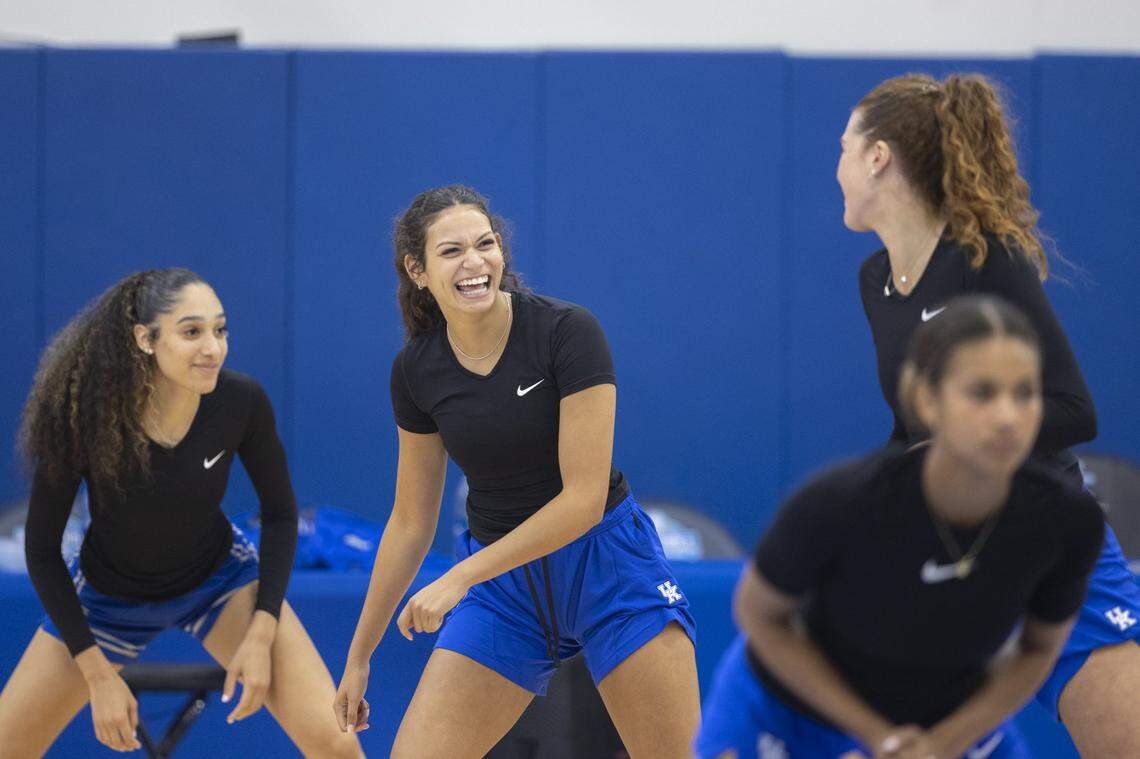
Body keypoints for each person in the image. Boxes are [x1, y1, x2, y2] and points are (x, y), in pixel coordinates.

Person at [333, 185, 699, 758]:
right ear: (418, 270)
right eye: (452, 251)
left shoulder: (567, 331)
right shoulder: (416, 370)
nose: (475, 262)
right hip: (506, 591)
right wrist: (359, 656)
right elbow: (409, 522)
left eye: (485, 244)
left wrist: (459, 577)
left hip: (606, 565)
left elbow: (581, 501)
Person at [837, 72, 1140, 756]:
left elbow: (1072, 410)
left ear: (878, 156)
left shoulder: (985, 260)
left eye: (844, 148)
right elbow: (913, 430)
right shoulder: (875, 282)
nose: (839, 169)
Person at [695, 295, 1105, 759]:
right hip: (786, 714)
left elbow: (1036, 650)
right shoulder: (841, 502)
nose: (1008, 416)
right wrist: (877, 737)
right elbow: (759, 615)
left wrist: (940, 744)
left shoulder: (1069, 521)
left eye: (1024, 393)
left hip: (947, 727)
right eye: (982, 393)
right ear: (927, 399)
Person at [0, 269, 362, 758]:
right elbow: (42, 551)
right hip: (106, 599)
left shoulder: (241, 401)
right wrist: (97, 674)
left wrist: (262, 630)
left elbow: (280, 514)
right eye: (192, 332)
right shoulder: (86, 420)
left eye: (220, 329)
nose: (212, 347)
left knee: (337, 745)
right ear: (145, 339)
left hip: (218, 582)